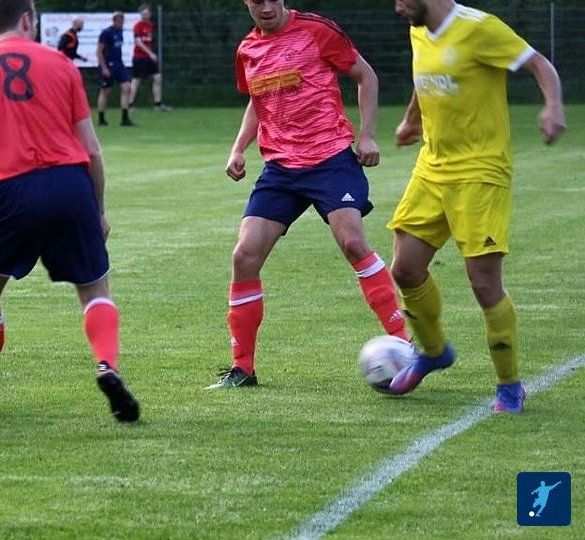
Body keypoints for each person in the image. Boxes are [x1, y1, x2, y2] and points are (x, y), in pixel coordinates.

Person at [0, 0, 139, 422]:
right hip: (72, 185)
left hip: (13, 191)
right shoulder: (62, 65)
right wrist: (98, 210)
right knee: (95, 288)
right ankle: (107, 365)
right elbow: (92, 150)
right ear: (28, 19)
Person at [208, 0, 410, 389]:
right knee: (244, 256)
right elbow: (257, 99)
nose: (266, 7)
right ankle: (242, 369)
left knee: (352, 242)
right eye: (256, 0)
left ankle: (404, 346)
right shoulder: (248, 49)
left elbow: (366, 76)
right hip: (281, 169)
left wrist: (367, 135)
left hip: (330, 158)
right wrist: (238, 148)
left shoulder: (317, 31)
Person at [387, 0, 565, 414]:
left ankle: (509, 385)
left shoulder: (480, 28)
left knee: (484, 283)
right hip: (432, 166)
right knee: (405, 268)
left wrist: (553, 106)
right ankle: (433, 351)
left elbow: (539, 64)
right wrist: (412, 119)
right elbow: (425, 77)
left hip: (481, 170)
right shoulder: (418, 29)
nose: (397, 6)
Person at [96, 11, 133, 127]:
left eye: (122, 22)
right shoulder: (106, 33)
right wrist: (104, 67)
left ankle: (125, 118)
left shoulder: (120, 32)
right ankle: (101, 118)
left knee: (127, 87)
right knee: (106, 91)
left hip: (118, 63)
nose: (121, 24)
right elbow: (99, 51)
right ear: (114, 21)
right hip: (108, 64)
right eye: (119, 22)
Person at [130, 4, 170, 111]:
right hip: (139, 57)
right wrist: (150, 53)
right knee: (136, 81)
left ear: (150, 14)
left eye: (146, 13)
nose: (145, 15)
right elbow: (138, 42)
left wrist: (150, 54)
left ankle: (158, 104)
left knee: (157, 78)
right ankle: (129, 104)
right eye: (143, 14)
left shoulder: (150, 26)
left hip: (148, 57)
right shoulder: (138, 26)